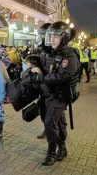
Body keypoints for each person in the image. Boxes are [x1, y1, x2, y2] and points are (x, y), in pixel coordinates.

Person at [31, 21, 80, 166]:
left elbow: (62, 76)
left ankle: (51, 152)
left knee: (50, 121)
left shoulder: (69, 55)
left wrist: (42, 77)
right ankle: (62, 147)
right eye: (50, 36)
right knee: (58, 121)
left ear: (64, 38)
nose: (52, 39)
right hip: (48, 94)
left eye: (56, 36)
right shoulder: (48, 53)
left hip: (61, 96)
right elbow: (42, 67)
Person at [33, 23, 52, 139]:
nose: (39, 38)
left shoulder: (56, 52)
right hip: (43, 88)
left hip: (54, 91)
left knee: (55, 117)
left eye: (41, 36)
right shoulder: (43, 52)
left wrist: (42, 76)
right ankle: (46, 128)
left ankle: (60, 144)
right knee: (43, 110)